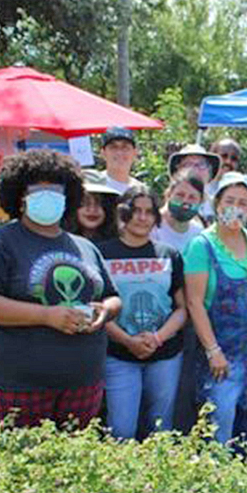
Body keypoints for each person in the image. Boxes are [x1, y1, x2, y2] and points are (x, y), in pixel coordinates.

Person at [0, 149, 121, 427]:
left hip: (82, 381)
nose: (48, 196)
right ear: (20, 197)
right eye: (37, 190)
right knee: (18, 454)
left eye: (56, 190)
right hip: (16, 384)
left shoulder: (84, 246)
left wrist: (104, 312)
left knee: (77, 454)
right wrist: (46, 316)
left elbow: (112, 297)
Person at [184, 172, 247, 454]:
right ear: (217, 204)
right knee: (219, 428)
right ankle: (218, 480)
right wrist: (213, 351)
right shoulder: (202, 246)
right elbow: (194, 303)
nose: (236, 208)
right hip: (222, 358)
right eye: (229, 201)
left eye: (243, 203)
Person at [99, 185, 187, 441]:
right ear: (123, 213)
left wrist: (158, 338)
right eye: (136, 210)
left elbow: (182, 309)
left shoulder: (169, 255)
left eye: (149, 212)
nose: (142, 217)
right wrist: (128, 341)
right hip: (118, 354)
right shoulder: (102, 253)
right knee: (121, 430)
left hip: (165, 354)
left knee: (161, 428)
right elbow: (96, 308)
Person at [152, 167, 207, 433]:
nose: (185, 202)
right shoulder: (153, 225)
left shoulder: (198, 230)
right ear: (168, 193)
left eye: (193, 198)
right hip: (157, 312)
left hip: (190, 314)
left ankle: (178, 436)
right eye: (180, 194)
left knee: (182, 382)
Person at [168, 144, 221, 223]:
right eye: (188, 164)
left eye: (201, 164)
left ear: (209, 171)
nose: (195, 169)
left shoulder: (217, 205)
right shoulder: (171, 203)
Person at [66, 171, 119, 242]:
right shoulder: (62, 241)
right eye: (84, 203)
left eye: (99, 203)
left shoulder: (117, 243)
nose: (92, 209)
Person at [99, 127, 144, 195]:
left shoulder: (140, 191)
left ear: (135, 153)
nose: (119, 153)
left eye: (125, 147)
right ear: (103, 153)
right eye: (113, 147)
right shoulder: (93, 185)